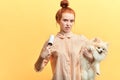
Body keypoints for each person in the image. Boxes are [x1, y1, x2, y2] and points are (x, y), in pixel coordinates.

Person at [34, 0, 93, 80]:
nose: (68, 24)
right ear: (58, 20)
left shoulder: (81, 40)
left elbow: (94, 61)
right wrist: (41, 57)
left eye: (71, 21)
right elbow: (37, 69)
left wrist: (90, 57)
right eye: (65, 20)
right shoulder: (51, 42)